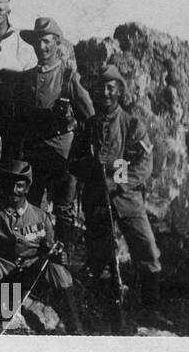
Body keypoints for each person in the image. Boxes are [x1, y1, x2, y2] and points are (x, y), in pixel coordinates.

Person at [71, 64, 168, 330]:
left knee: (147, 249)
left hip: (127, 199)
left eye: (111, 87)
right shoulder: (87, 126)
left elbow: (145, 164)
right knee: (100, 259)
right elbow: (73, 163)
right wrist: (91, 166)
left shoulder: (132, 124)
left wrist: (116, 180)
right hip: (97, 200)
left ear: (119, 91)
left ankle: (150, 310)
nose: (105, 92)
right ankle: (106, 313)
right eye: (101, 87)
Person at [0, 159, 82, 334]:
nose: (14, 191)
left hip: (31, 271)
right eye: (10, 184)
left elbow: (50, 248)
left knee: (58, 271)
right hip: (3, 270)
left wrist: (60, 256)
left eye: (20, 186)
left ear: (27, 188)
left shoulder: (40, 217)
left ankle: (75, 327)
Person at [11, 16, 93, 245]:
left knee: (64, 208)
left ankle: (62, 255)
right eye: (37, 42)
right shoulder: (27, 79)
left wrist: (82, 153)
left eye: (46, 41)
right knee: (33, 204)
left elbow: (90, 117)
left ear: (57, 44)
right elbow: (19, 120)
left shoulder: (68, 78)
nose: (41, 47)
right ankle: (33, 254)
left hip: (63, 154)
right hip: (35, 153)